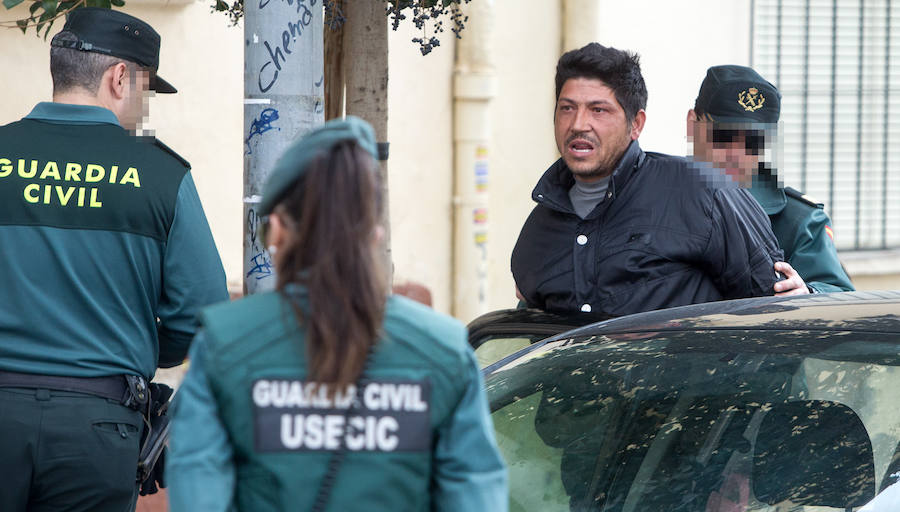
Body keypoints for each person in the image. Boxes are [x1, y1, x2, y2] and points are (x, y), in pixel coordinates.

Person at [166, 117, 508, 512]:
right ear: (375, 232)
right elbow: (475, 498)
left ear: (276, 230)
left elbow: (198, 495)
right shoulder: (445, 350)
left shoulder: (224, 344)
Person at [0, 7, 228, 511]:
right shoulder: (161, 175)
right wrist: (144, 341)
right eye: (146, 92)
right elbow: (204, 313)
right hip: (99, 428)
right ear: (120, 78)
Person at [511, 43, 784, 315]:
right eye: (567, 108)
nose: (579, 124)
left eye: (598, 110)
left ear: (636, 124)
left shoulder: (703, 194)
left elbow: (773, 313)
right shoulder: (537, 231)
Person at [687, 65, 855, 295]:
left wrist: (809, 294)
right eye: (724, 136)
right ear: (692, 125)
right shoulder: (655, 196)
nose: (736, 156)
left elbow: (841, 296)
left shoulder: (800, 221)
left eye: (753, 143)